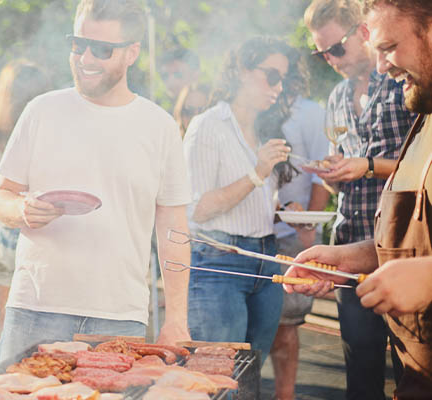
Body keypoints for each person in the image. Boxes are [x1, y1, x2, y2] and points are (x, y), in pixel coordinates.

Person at [0, 0, 193, 364]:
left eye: (101, 49)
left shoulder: (159, 127)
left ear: (132, 52)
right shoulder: (41, 111)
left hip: (118, 314)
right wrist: (21, 210)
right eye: (78, 43)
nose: (85, 58)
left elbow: (174, 228)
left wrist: (177, 317)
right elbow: (1, 196)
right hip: (35, 306)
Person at [287, 0, 432, 397]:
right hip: (365, 241)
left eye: (387, 47)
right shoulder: (414, 106)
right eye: (322, 53)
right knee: (363, 374)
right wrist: (352, 256)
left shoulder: (414, 89)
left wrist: (366, 165)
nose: (383, 64)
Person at [183, 37, 295, 364]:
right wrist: (258, 170)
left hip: (266, 259)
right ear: (243, 71)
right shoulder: (207, 126)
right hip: (219, 262)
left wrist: (287, 212)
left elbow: (254, 204)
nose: (278, 86)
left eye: (283, 79)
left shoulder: (268, 129)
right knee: (219, 377)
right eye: (271, 75)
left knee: (250, 377)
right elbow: (199, 210)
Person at [266, 47, 331, 400]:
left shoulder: (311, 113)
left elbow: (322, 178)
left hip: (293, 235)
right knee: (262, 324)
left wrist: (307, 229)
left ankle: (285, 395)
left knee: (286, 325)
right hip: (256, 233)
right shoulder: (260, 112)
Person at [0, 59, 52, 327]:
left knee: (10, 322)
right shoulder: (40, 133)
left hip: (3, 237)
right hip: (35, 236)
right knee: (46, 324)